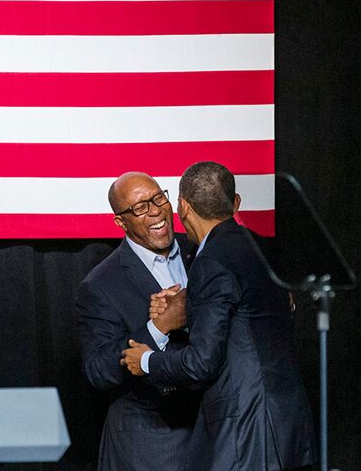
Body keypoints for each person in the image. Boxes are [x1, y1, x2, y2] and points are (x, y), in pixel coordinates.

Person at [121, 161, 316, 471]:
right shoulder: (262, 246)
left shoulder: (211, 262)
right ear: (235, 203)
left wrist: (146, 360)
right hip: (288, 420)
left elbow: (202, 362)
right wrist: (191, 307)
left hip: (249, 429)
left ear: (183, 207)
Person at [76, 172, 199, 471]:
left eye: (159, 198)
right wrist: (159, 326)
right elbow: (98, 371)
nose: (155, 210)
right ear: (121, 222)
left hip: (216, 428)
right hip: (152, 442)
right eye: (140, 207)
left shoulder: (200, 250)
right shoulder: (102, 284)